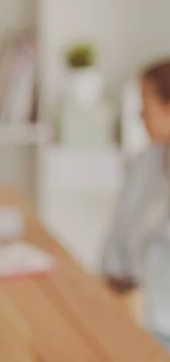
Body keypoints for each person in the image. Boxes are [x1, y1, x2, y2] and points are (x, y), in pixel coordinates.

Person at [103, 58, 170, 353]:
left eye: (146, 103)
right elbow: (117, 240)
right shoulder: (144, 164)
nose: (141, 114)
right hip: (134, 318)